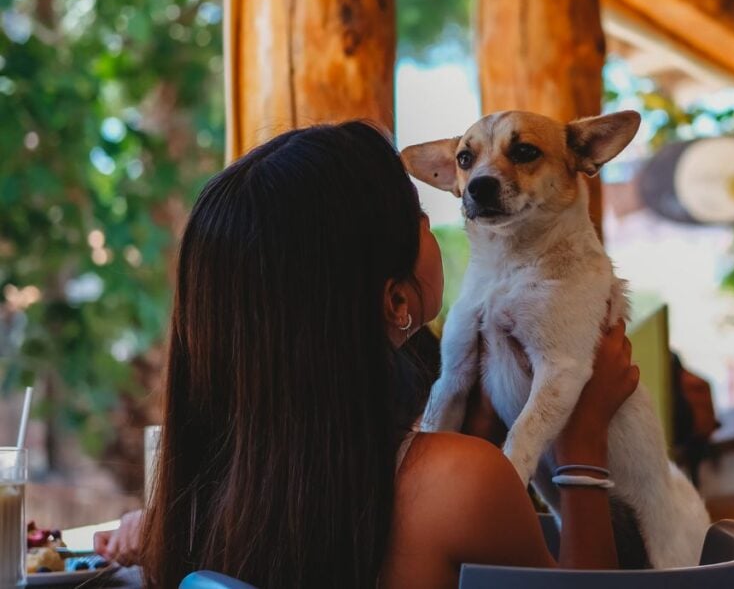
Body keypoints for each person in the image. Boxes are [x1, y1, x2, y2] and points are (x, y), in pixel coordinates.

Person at [94, 122, 642, 588]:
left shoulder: (202, 489)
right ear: (397, 299)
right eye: (421, 221)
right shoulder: (462, 483)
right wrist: (583, 443)